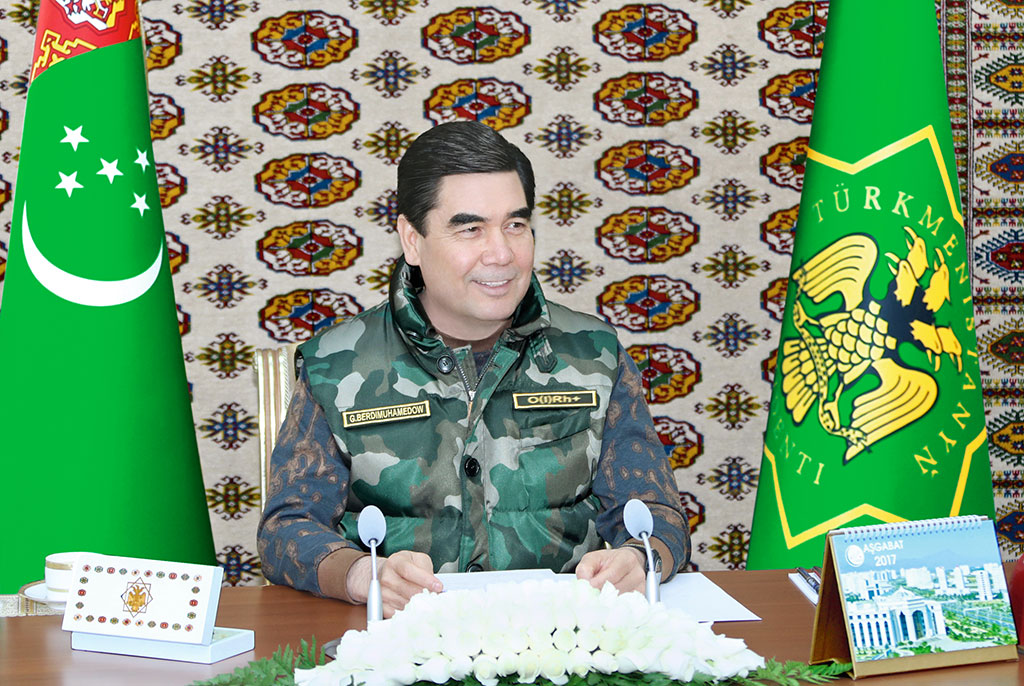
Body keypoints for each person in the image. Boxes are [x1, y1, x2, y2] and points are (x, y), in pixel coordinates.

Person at [257, 121, 689, 617]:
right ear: (412, 240)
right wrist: (361, 575)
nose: (501, 253)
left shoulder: (595, 354)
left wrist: (640, 558)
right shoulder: (335, 364)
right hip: (399, 639)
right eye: (470, 229)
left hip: (561, 639)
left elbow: (658, 513)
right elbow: (286, 530)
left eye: (516, 225)